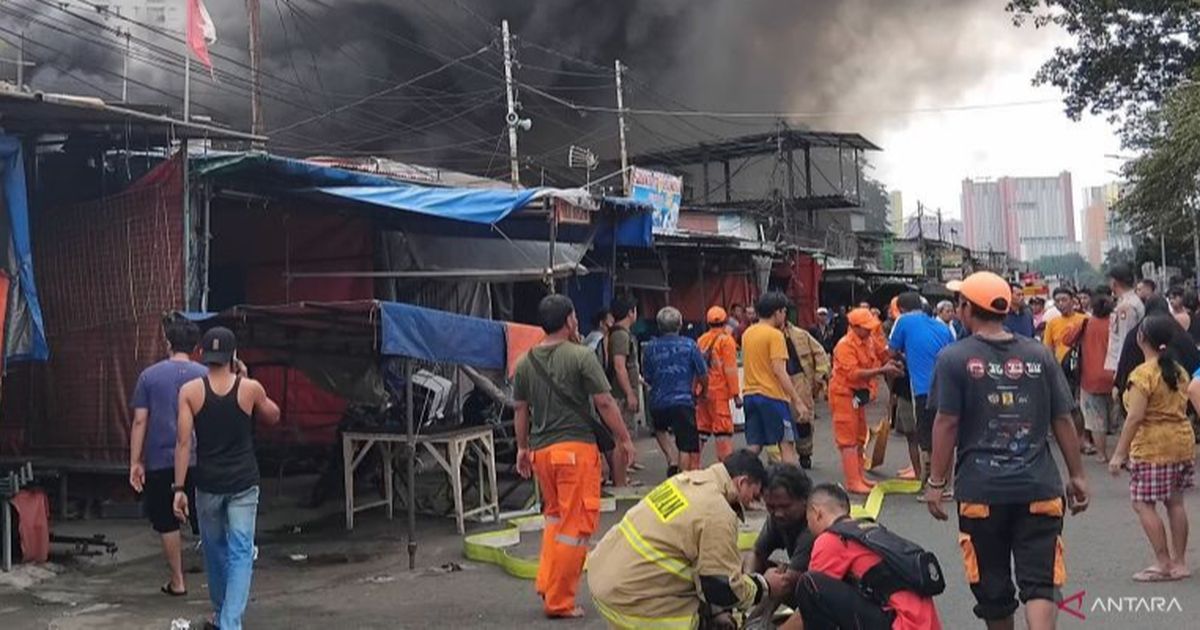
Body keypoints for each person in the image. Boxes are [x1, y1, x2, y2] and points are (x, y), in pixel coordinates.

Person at [925, 271, 1089, 630]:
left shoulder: (953, 358)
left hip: (981, 493)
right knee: (1041, 581)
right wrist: (1077, 475)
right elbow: (1063, 417)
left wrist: (936, 482)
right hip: (1040, 487)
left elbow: (946, 423)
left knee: (992, 586)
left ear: (968, 308)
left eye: (960, 302)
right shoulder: (1038, 354)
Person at [512, 294, 637, 619]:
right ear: (569, 320)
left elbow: (520, 411)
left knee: (554, 520)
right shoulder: (581, 357)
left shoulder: (525, 361)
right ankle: (559, 601)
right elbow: (605, 403)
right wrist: (624, 439)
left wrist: (523, 448)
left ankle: (547, 582)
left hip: (542, 453)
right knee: (575, 527)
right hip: (575, 452)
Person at [587, 450, 792, 629]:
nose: (751, 504)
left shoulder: (687, 481)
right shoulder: (717, 511)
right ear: (742, 482)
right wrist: (765, 585)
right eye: (753, 495)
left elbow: (695, 558)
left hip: (606, 577)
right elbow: (722, 587)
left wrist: (715, 612)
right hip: (634, 597)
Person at [172, 327, 281, 630]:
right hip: (243, 484)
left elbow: (183, 443)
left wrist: (178, 489)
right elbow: (273, 416)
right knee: (241, 550)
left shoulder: (190, 391)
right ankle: (230, 621)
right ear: (233, 356)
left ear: (203, 355)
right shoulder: (249, 388)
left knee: (214, 549)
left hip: (207, 484)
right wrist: (245, 379)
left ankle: (223, 616)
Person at [779, 483, 942, 630]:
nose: (809, 528)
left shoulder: (831, 539)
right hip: (924, 623)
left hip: (902, 624)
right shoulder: (868, 530)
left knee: (809, 584)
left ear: (816, 513)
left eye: (808, 521)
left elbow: (806, 610)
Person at [1109, 314, 1194, 582]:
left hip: (1152, 445)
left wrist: (1119, 454)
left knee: (1142, 502)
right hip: (1180, 441)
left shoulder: (1142, 374)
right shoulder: (1179, 371)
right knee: (1175, 502)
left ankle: (1163, 562)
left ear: (1140, 338)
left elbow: (1134, 417)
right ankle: (1180, 562)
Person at [129, 315, 206, 597]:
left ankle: (178, 580)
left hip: (161, 459)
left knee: (166, 520)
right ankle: (220, 579)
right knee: (208, 517)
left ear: (167, 342)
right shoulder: (206, 375)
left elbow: (140, 421)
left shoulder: (149, 376)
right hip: (200, 458)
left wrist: (135, 462)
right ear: (196, 345)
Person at [830, 308, 901, 494]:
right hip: (844, 394)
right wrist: (882, 371)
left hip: (858, 395)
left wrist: (896, 360)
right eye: (866, 328)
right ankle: (853, 482)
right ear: (854, 327)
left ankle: (860, 476)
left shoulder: (868, 340)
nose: (870, 331)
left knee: (860, 435)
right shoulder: (844, 346)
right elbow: (853, 374)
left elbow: (883, 353)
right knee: (848, 438)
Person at [888, 292, 954, 493]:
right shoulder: (941, 327)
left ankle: (933, 485)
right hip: (948, 387)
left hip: (923, 389)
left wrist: (905, 355)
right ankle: (948, 486)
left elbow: (891, 351)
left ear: (901, 308)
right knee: (946, 436)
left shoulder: (903, 321)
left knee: (927, 441)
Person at [742, 292, 811, 465]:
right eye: (784, 311)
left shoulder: (748, 333)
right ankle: (792, 488)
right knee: (786, 444)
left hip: (750, 395)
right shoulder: (775, 335)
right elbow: (779, 371)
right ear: (777, 312)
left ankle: (735, 476)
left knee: (755, 446)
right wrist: (798, 401)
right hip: (772, 397)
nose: (785, 315)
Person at [745, 464, 816, 625]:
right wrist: (749, 582)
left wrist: (752, 621)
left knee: (782, 576)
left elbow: (786, 582)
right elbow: (755, 553)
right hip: (802, 582)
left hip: (832, 600)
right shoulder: (778, 518)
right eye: (771, 506)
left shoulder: (812, 527)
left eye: (785, 506)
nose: (778, 513)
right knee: (771, 572)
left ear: (805, 500)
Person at [642, 306, 708, 475]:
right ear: (680, 324)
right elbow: (702, 373)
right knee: (685, 444)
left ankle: (671, 458)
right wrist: (704, 391)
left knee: (659, 428)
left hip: (658, 400)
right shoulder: (690, 345)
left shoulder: (650, 348)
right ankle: (682, 474)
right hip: (683, 400)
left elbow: (648, 376)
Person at [1064, 292, 1117, 460]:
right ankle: (1123, 454)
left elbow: (1067, 339)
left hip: (1090, 378)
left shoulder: (1086, 323)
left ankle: (1101, 455)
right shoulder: (1115, 324)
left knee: (1096, 420)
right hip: (1115, 377)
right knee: (1119, 418)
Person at [1115, 297, 1200, 400]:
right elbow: (1195, 365)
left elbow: (1124, 366)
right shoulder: (1180, 335)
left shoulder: (1136, 334)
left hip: (1140, 402)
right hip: (1179, 406)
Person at [697, 306, 742, 462]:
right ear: (725, 321)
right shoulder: (726, 341)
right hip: (719, 393)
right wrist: (736, 394)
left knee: (702, 429)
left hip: (702, 391)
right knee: (723, 430)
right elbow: (730, 370)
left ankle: (691, 466)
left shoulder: (701, 340)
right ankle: (727, 467)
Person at [785, 320, 830, 470]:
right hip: (776, 381)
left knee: (803, 420)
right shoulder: (765, 335)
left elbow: (820, 353)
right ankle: (782, 458)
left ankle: (805, 454)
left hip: (800, 380)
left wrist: (819, 376)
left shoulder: (801, 335)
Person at [1108, 264, 1147, 377]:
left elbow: (1125, 339)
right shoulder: (1130, 301)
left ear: (1114, 282)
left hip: (1128, 364)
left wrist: (1120, 371)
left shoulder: (1127, 306)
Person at [1043, 287, 1085, 363]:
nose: (1061, 304)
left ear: (1072, 301)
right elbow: (1048, 349)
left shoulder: (1085, 320)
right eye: (1057, 301)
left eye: (1064, 300)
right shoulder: (1052, 323)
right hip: (1061, 367)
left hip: (1081, 364)